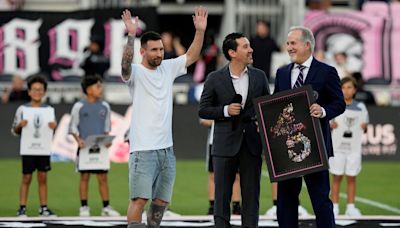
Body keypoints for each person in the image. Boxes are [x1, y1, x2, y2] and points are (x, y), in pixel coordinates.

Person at [120, 6, 207, 228]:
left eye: (161, 49)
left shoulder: (168, 68)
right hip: (143, 150)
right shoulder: (135, 73)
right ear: (143, 52)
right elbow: (125, 64)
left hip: (167, 150)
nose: (159, 53)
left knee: (161, 202)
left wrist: (200, 31)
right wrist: (131, 35)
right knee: (139, 199)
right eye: (154, 50)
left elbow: (191, 56)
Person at [274, 26, 345, 228]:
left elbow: (339, 103)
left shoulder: (327, 72)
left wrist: (322, 111)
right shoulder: (281, 73)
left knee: (321, 200)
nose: (289, 47)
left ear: (307, 44)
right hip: (288, 149)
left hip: (316, 147)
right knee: (286, 201)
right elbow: (277, 108)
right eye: (288, 43)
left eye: (293, 43)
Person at [199, 32, 270, 227]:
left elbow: (266, 108)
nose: (251, 49)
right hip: (224, 145)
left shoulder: (260, 76)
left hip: (252, 146)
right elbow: (203, 110)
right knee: (221, 199)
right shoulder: (214, 78)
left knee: (251, 197)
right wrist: (225, 111)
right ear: (232, 52)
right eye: (245, 46)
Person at [68, 75, 120, 217]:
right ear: (88, 90)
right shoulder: (79, 106)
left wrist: (107, 140)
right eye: (97, 86)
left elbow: (107, 127)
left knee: (103, 177)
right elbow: (72, 127)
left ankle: (106, 207)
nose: (100, 89)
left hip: (100, 147)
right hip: (84, 148)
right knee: (84, 176)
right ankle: (84, 207)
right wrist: (78, 140)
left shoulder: (105, 106)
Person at [11, 75, 57, 217]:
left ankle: (43, 208)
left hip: (43, 148)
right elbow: (14, 131)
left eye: (40, 90)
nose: (37, 92)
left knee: (43, 177)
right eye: (34, 90)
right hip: (29, 148)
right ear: (29, 92)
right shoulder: (22, 109)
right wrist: (20, 125)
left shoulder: (49, 109)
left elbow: (50, 130)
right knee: (26, 177)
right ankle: (22, 208)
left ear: (44, 92)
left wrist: (53, 126)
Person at [329, 76, 369, 217]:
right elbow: (327, 124)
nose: (346, 91)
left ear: (355, 90)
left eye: (349, 87)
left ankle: (351, 207)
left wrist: (365, 126)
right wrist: (331, 125)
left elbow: (365, 127)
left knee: (351, 177)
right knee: (336, 177)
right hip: (337, 149)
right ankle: (334, 206)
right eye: (343, 87)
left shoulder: (361, 107)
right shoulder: (335, 106)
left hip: (353, 149)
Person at [200, 119, 241, 216]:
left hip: (235, 139)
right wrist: (222, 120)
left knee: (236, 175)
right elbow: (203, 119)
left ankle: (236, 206)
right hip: (215, 140)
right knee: (213, 174)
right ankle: (213, 206)